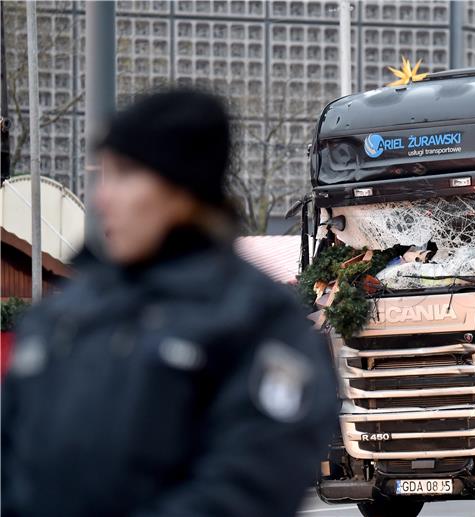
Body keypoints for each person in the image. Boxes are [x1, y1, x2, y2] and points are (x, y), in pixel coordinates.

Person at [1, 89, 339, 517]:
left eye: (124, 175)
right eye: (101, 175)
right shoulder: (64, 314)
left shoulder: (256, 322)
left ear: (181, 191)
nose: (103, 198)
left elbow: (249, 482)